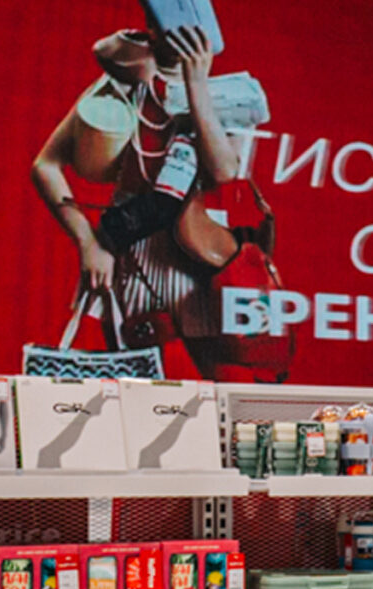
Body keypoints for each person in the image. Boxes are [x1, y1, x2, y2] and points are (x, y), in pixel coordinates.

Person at [31, 20, 277, 378]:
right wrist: (88, 242)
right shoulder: (121, 90)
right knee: (132, 382)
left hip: (202, 249)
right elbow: (46, 165)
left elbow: (225, 171)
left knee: (228, 383)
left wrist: (196, 85)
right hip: (131, 248)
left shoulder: (231, 95)